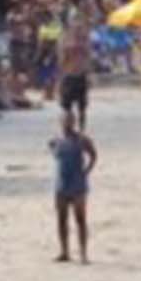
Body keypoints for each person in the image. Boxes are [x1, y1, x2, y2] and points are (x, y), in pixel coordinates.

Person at [50, 109, 98, 263]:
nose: (67, 123)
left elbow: (93, 155)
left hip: (78, 185)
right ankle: (64, 251)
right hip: (61, 184)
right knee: (61, 219)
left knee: (80, 220)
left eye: (70, 120)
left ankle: (83, 253)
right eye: (64, 120)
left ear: (75, 122)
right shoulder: (56, 140)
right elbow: (54, 153)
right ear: (60, 122)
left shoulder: (82, 140)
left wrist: (87, 171)